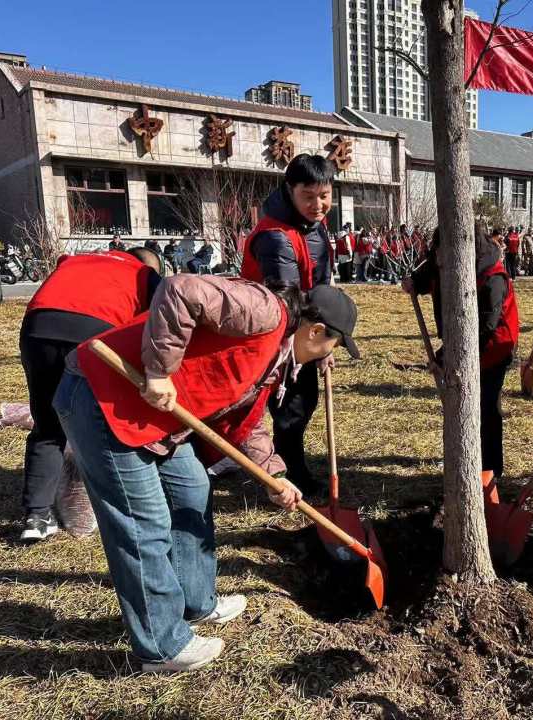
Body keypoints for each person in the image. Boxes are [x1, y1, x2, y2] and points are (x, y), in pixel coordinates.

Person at [55, 275, 359, 672]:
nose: (325, 357)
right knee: (144, 523)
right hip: (104, 397)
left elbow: (244, 424)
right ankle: (161, 647)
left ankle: (197, 603)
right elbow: (180, 290)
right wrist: (159, 370)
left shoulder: (275, 359)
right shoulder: (265, 312)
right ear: (316, 330)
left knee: (192, 490)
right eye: (331, 347)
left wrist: (274, 474)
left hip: (155, 419)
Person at [18, 248, 163, 541]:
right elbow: (159, 329)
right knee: (106, 420)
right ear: (149, 264)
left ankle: (37, 517)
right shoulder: (145, 276)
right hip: (95, 333)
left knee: (47, 427)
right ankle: (115, 502)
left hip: (38, 328)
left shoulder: (77, 259)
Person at [239, 153, 336, 495]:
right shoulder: (276, 236)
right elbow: (288, 300)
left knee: (302, 402)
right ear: (290, 190)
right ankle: (288, 476)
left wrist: (326, 340)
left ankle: (286, 460)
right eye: (308, 196)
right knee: (290, 406)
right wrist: (315, 345)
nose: (318, 204)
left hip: (302, 331)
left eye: (324, 195)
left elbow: (321, 286)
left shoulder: (316, 228)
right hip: (273, 334)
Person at [403, 223, 519, 481]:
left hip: (494, 347)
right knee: (461, 400)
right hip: (459, 343)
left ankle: (490, 469)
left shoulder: (492, 277)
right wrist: (414, 283)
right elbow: (428, 276)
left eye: (447, 252)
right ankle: (465, 457)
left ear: (469, 250)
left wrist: (446, 354)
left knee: (487, 406)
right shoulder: (442, 261)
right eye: (438, 252)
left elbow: (486, 327)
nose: (441, 258)